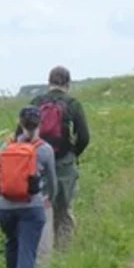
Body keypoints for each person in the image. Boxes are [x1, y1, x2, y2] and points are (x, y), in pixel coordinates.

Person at [0, 105, 57, 268]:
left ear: (20, 123)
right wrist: (50, 198)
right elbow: (53, 182)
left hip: (3, 208)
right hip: (31, 206)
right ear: (40, 123)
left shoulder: (6, 146)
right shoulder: (45, 149)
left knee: (11, 244)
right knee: (27, 249)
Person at [31, 66, 90, 247]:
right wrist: (72, 153)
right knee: (63, 210)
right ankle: (63, 253)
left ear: (48, 82)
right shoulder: (72, 104)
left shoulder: (36, 102)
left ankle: (42, 252)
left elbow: (23, 133)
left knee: (42, 207)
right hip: (64, 163)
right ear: (68, 84)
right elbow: (84, 137)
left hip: (39, 162)